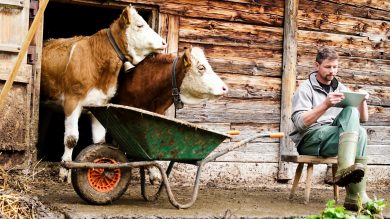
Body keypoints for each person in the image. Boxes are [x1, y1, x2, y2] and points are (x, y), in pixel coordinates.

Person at [290, 47, 371, 211]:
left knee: (361, 131)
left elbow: (362, 119)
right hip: (310, 139)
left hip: (333, 138)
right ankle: (345, 170)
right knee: (356, 129)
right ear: (317, 66)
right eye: (328, 67)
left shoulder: (340, 87)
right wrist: (325, 104)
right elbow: (300, 123)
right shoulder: (305, 89)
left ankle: (356, 196)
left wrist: (362, 100)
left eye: (335, 67)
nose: (332, 71)